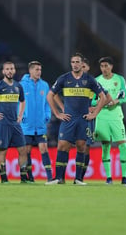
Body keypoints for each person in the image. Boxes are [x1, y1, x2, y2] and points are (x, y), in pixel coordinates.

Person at [45, 53, 107, 185]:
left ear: (81, 63)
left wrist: (95, 113)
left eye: (77, 62)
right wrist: (57, 113)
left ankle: (78, 179)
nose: (75, 64)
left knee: (81, 146)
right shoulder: (64, 78)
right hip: (68, 119)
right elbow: (50, 95)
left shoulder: (89, 80)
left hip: (83, 119)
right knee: (62, 145)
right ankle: (59, 178)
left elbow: (104, 97)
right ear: (71, 63)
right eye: (73, 62)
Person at [93, 57, 126, 185]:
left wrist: (115, 101)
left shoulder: (119, 79)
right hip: (102, 117)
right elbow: (92, 100)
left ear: (111, 66)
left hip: (116, 116)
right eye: (102, 66)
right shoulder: (97, 81)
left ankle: (124, 177)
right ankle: (109, 178)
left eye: (106, 66)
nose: (104, 68)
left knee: (123, 145)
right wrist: (101, 102)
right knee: (105, 146)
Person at [20, 61, 53, 183]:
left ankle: (50, 177)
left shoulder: (44, 85)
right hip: (26, 125)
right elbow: (18, 103)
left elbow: (47, 103)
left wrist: (47, 115)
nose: (39, 72)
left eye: (40, 69)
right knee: (26, 151)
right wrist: (22, 117)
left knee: (44, 148)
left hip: (40, 125)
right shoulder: (21, 85)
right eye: (36, 70)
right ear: (30, 71)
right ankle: (30, 177)